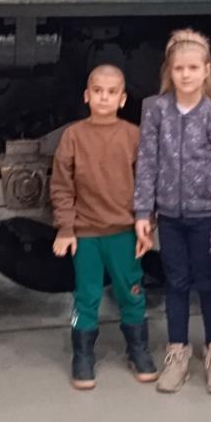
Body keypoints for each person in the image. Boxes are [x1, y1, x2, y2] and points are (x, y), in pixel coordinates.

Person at [133, 28, 211, 394]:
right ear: (169, 71)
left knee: (208, 283)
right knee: (175, 283)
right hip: (169, 216)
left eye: (193, 68)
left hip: (204, 214)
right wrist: (143, 212)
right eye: (179, 68)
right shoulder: (155, 110)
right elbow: (147, 161)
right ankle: (177, 352)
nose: (186, 75)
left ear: (206, 71)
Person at [50, 65, 158, 389]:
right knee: (86, 295)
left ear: (122, 99)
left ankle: (138, 349)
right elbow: (61, 185)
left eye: (112, 92)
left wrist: (147, 225)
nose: (104, 97)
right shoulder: (73, 136)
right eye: (98, 91)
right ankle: (82, 355)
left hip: (124, 232)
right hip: (86, 234)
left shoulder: (133, 135)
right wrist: (66, 228)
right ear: (87, 95)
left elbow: (146, 184)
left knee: (131, 292)